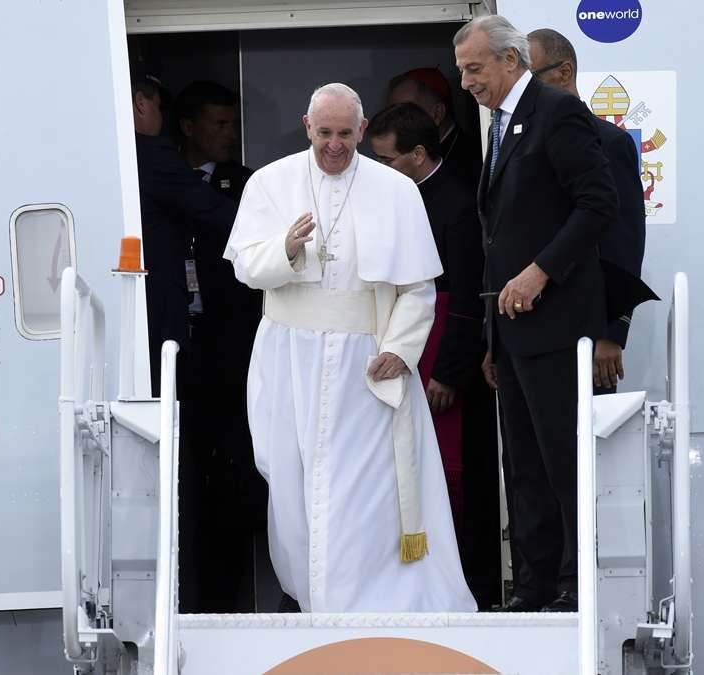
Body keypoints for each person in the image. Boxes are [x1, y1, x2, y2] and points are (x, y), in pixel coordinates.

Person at [223, 83, 475, 612]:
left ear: (362, 131)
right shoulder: (271, 183)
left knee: (365, 489)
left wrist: (402, 351)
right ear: (306, 126)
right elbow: (245, 267)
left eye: (345, 134)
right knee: (294, 482)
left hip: (367, 363)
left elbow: (418, 289)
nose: (334, 146)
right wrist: (286, 249)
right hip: (290, 357)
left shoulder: (397, 190)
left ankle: (373, 603)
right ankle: (317, 600)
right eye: (324, 134)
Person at [455, 15, 618, 612]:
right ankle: (534, 588)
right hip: (515, 334)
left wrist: (543, 270)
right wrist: (493, 339)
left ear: (509, 60)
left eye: (475, 69)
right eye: (463, 71)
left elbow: (598, 204)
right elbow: (500, 236)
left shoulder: (557, 112)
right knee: (522, 468)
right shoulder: (498, 125)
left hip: (557, 326)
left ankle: (579, 589)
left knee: (562, 465)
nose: (467, 82)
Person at [367, 102, 501, 608]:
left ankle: (469, 588)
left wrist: (449, 372)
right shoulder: (405, 197)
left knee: (455, 479)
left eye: (385, 159)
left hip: (444, 359)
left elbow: (467, 297)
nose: (376, 170)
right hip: (411, 350)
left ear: (418, 154)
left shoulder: (456, 204)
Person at [131, 65, 240, 613]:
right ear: (137, 105)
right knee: (184, 479)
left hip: (160, 345)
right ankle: (191, 603)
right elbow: (217, 215)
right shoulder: (145, 156)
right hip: (168, 347)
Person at [172, 80, 269, 612]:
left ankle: (232, 601)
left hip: (232, 348)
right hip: (181, 348)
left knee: (237, 470)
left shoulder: (247, 185)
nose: (229, 134)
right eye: (218, 125)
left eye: (232, 124)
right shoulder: (161, 179)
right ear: (188, 127)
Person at [527, 29, 648, 395]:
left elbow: (623, 241)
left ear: (564, 73)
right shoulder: (523, 143)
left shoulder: (607, 142)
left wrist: (612, 332)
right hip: (535, 329)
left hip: (586, 329)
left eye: (531, 79)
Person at [386, 68, 482, 187]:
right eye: (391, 114)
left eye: (404, 113)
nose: (392, 123)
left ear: (437, 113)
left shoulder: (472, 159)